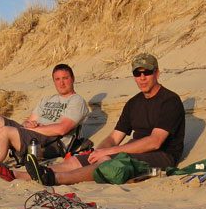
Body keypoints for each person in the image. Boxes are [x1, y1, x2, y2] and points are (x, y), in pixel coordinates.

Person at [22, 53, 185, 186]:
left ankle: (53, 178)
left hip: (162, 156)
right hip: (133, 150)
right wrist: (98, 152)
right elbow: (114, 137)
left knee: (107, 160)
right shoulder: (133, 103)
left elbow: (154, 141)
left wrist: (107, 153)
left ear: (157, 73)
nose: (142, 77)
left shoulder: (170, 101)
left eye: (147, 72)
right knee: (78, 160)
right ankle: (23, 175)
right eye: (137, 73)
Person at [0, 63, 88, 181]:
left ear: (73, 79)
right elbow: (28, 121)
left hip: (50, 139)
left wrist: (34, 129)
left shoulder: (76, 100)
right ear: (53, 81)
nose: (61, 83)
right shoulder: (47, 99)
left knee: (5, 131)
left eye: (65, 78)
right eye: (57, 79)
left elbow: (62, 129)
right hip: (33, 133)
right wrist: (28, 125)